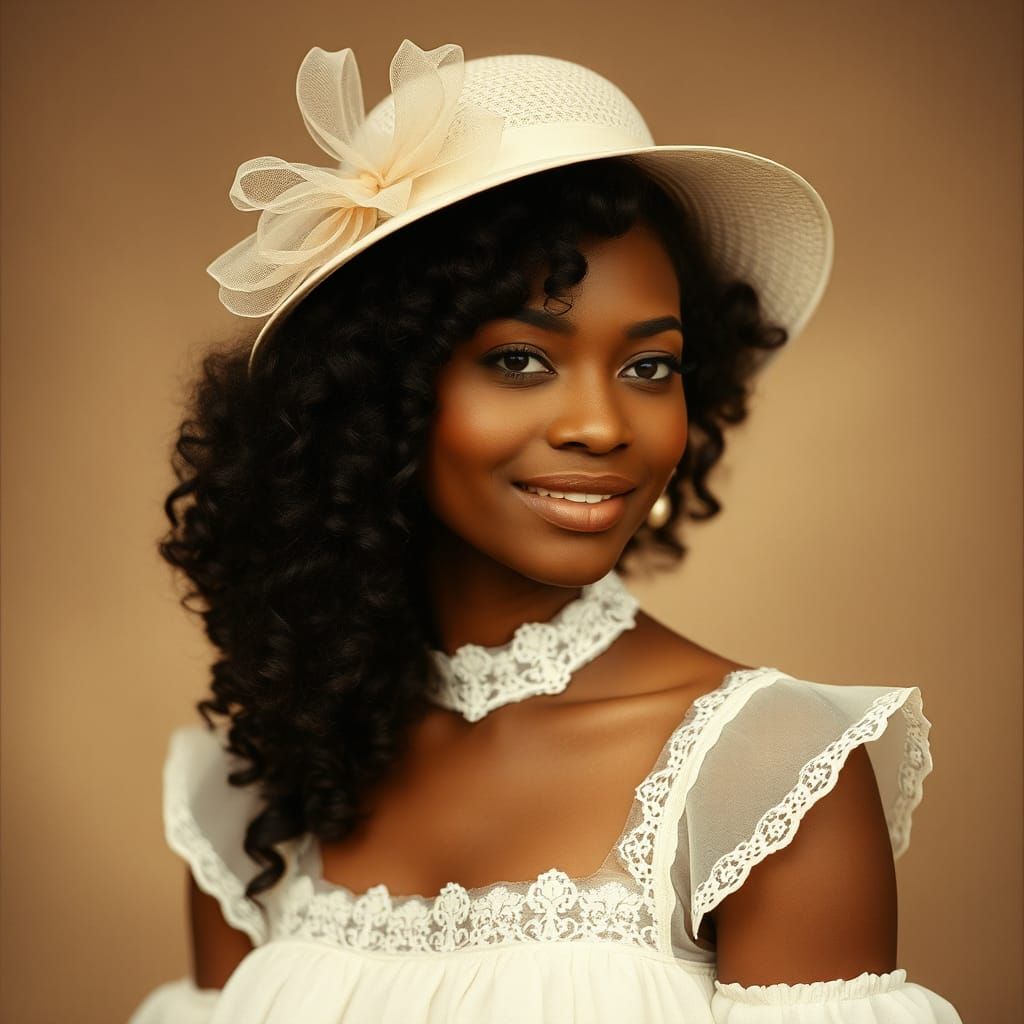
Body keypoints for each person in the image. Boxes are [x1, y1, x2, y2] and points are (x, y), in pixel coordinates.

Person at [127, 38, 964, 1023]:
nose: (604, 425)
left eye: (649, 367)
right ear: (377, 400)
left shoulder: (771, 777)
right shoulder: (258, 790)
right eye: (522, 360)